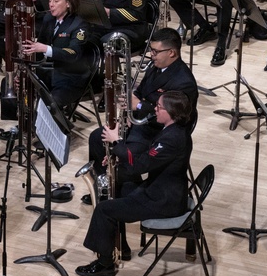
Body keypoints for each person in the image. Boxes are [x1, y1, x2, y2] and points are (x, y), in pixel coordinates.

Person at [75, 91, 193, 276]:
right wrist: (118, 156)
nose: (155, 109)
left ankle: (105, 264)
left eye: (159, 107)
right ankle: (120, 247)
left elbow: (140, 165)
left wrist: (117, 142)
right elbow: (148, 157)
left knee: (104, 210)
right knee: (119, 188)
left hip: (163, 201)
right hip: (161, 190)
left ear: (171, 113)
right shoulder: (173, 130)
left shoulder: (172, 139)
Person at [83, 28, 198, 204]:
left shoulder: (184, 82)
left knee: (128, 152)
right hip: (141, 123)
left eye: (156, 51)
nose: (151, 55)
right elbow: (141, 91)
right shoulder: (156, 67)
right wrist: (128, 115)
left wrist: (137, 105)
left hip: (158, 133)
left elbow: (173, 117)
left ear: (172, 53)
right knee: (97, 137)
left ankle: (124, 195)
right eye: (151, 50)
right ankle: (104, 188)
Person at [20, 0, 91, 109]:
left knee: (50, 104)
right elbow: (38, 51)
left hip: (70, 79)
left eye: (56, 1)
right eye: (49, 1)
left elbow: (73, 54)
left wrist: (44, 48)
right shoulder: (49, 19)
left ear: (68, 3)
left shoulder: (79, 25)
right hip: (49, 73)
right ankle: (25, 119)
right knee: (11, 85)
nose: (51, 5)